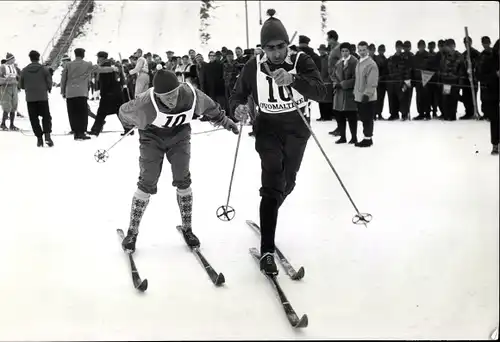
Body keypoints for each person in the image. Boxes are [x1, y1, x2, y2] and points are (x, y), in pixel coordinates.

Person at [229, 9, 326, 275]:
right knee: (272, 182)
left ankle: (268, 212)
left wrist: (294, 79)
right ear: (262, 49)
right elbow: (237, 95)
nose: (276, 53)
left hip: (297, 128)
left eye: (281, 46)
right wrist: (237, 108)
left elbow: (322, 93)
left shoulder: (302, 61)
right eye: (270, 48)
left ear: (288, 44)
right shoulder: (253, 66)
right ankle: (267, 250)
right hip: (268, 128)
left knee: (288, 182)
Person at [118, 70, 239, 252]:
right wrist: (131, 122)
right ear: (157, 95)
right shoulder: (145, 103)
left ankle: (188, 229)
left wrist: (226, 121)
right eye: (166, 97)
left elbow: (211, 107)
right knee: (147, 180)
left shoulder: (190, 94)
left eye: (174, 93)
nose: (171, 99)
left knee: (183, 178)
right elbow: (123, 112)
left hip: (180, 137)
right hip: (152, 139)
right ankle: (132, 232)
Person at [19, 50, 54, 147]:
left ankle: (39, 138)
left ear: (30, 58)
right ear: (38, 58)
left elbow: (21, 85)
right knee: (46, 117)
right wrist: (48, 88)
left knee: (34, 118)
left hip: (30, 98)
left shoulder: (24, 70)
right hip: (42, 97)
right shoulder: (44, 69)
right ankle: (47, 136)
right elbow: (49, 82)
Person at [353, 41, 379, 147]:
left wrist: (367, 94)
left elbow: (372, 82)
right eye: (360, 50)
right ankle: (366, 137)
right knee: (363, 118)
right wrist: (355, 93)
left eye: (364, 50)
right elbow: (358, 80)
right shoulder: (359, 62)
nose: (362, 52)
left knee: (367, 118)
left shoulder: (371, 64)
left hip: (368, 97)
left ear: (367, 50)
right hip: (359, 96)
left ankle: (368, 138)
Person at [0, 53, 20, 131]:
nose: (14, 60)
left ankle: (12, 124)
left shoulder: (14, 67)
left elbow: (17, 76)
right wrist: (5, 80)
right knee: (7, 105)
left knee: (14, 105)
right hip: (6, 87)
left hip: (14, 87)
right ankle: (3, 123)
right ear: (9, 59)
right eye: (13, 59)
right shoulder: (2, 67)